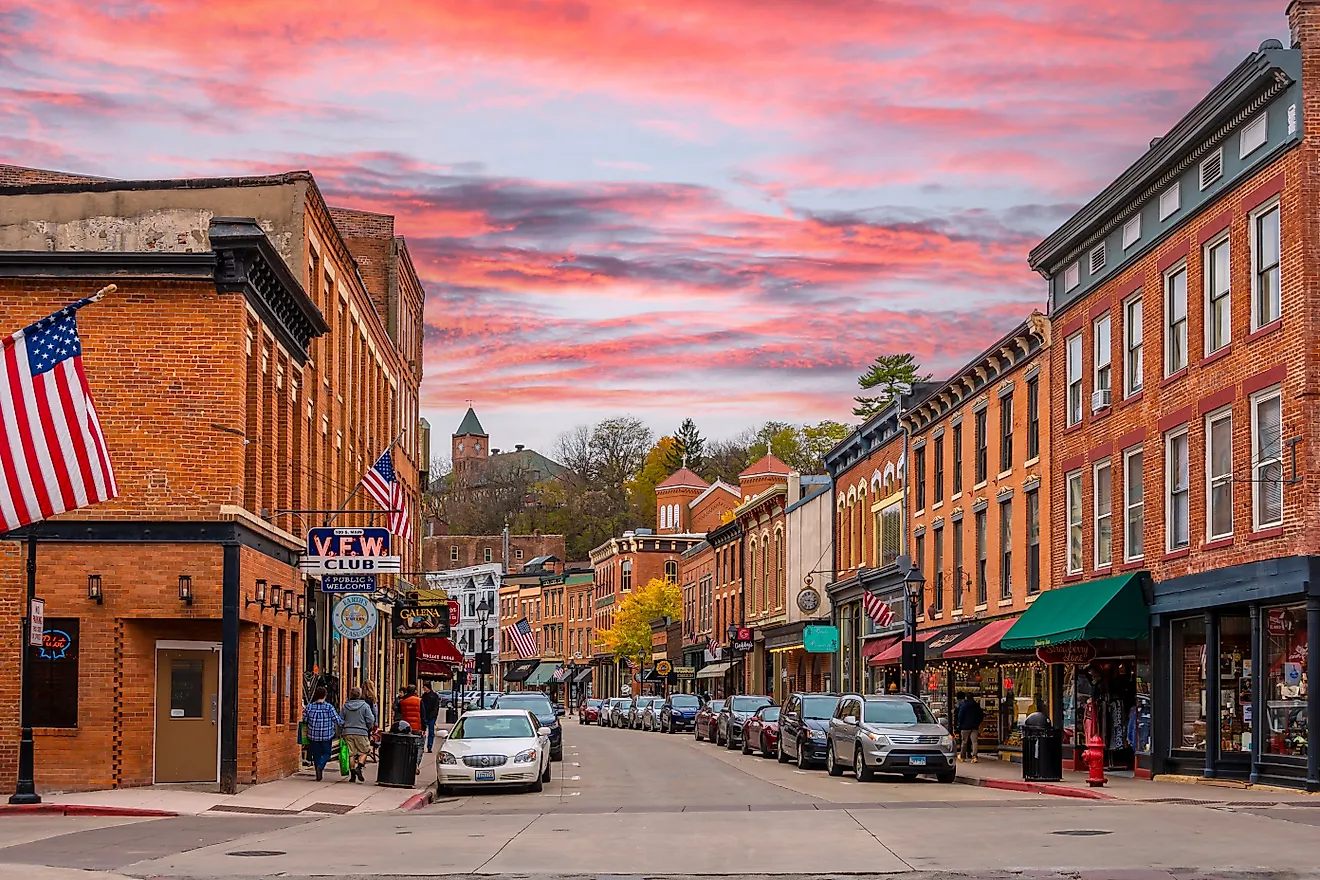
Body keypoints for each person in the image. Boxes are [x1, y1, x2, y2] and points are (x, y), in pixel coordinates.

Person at [302, 686, 343, 782]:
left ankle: (318, 773)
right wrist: (343, 723)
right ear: (325, 696)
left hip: (313, 735)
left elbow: (305, 720)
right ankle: (320, 766)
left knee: (316, 754)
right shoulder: (329, 707)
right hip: (326, 735)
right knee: (327, 754)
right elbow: (336, 719)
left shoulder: (310, 707)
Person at [340, 687, 376, 783]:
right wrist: (368, 727)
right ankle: (359, 768)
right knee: (365, 751)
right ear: (360, 695)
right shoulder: (365, 706)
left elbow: (341, 719)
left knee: (351, 754)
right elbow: (370, 719)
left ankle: (352, 775)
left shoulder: (345, 706)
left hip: (348, 732)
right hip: (361, 732)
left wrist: (344, 727)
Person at [955, 691, 985, 763]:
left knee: (964, 742)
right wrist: (977, 723)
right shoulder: (976, 705)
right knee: (974, 742)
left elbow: (960, 716)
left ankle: (962, 756)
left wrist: (960, 724)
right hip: (974, 726)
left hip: (965, 727)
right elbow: (981, 715)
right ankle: (974, 756)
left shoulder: (964, 706)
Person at [420, 682, 441, 753]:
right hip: (424, 716)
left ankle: (429, 747)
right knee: (423, 732)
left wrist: (434, 716)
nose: (423, 689)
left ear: (428, 687)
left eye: (424, 687)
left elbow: (436, 707)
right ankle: (422, 746)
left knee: (431, 733)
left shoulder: (435, 696)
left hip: (431, 717)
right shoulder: (424, 696)